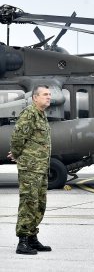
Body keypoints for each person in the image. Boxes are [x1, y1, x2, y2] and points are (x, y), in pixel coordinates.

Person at [8, 85, 52, 255]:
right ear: (35, 97)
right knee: (28, 203)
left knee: (39, 204)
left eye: (49, 94)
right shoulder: (29, 113)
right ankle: (23, 241)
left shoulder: (41, 114)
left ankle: (32, 238)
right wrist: (17, 154)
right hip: (30, 168)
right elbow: (18, 136)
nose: (48, 97)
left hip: (40, 168)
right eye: (45, 94)